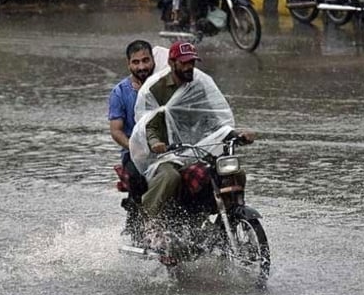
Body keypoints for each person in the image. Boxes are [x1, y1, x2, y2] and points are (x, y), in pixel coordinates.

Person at [129, 41, 255, 250]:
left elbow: (213, 119)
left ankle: (228, 218)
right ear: (171, 62)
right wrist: (157, 143)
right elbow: (148, 124)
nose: (189, 67)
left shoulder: (200, 85)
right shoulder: (155, 88)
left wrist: (235, 133)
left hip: (198, 148)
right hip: (166, 153)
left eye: (192, 62)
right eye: (184, 62)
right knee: (170, 177)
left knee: (234, 172)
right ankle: (151, 222)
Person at [108, 40, 158, 242]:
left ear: (154, 60)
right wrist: (135, 148)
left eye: (146, 60)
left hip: (166, 150)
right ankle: (140, 219)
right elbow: (116, 131)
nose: (142, 67)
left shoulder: (162, 86)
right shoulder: (119, 92)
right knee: (137, 177)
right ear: (129, 64)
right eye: (136, 62)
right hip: (134, 154)